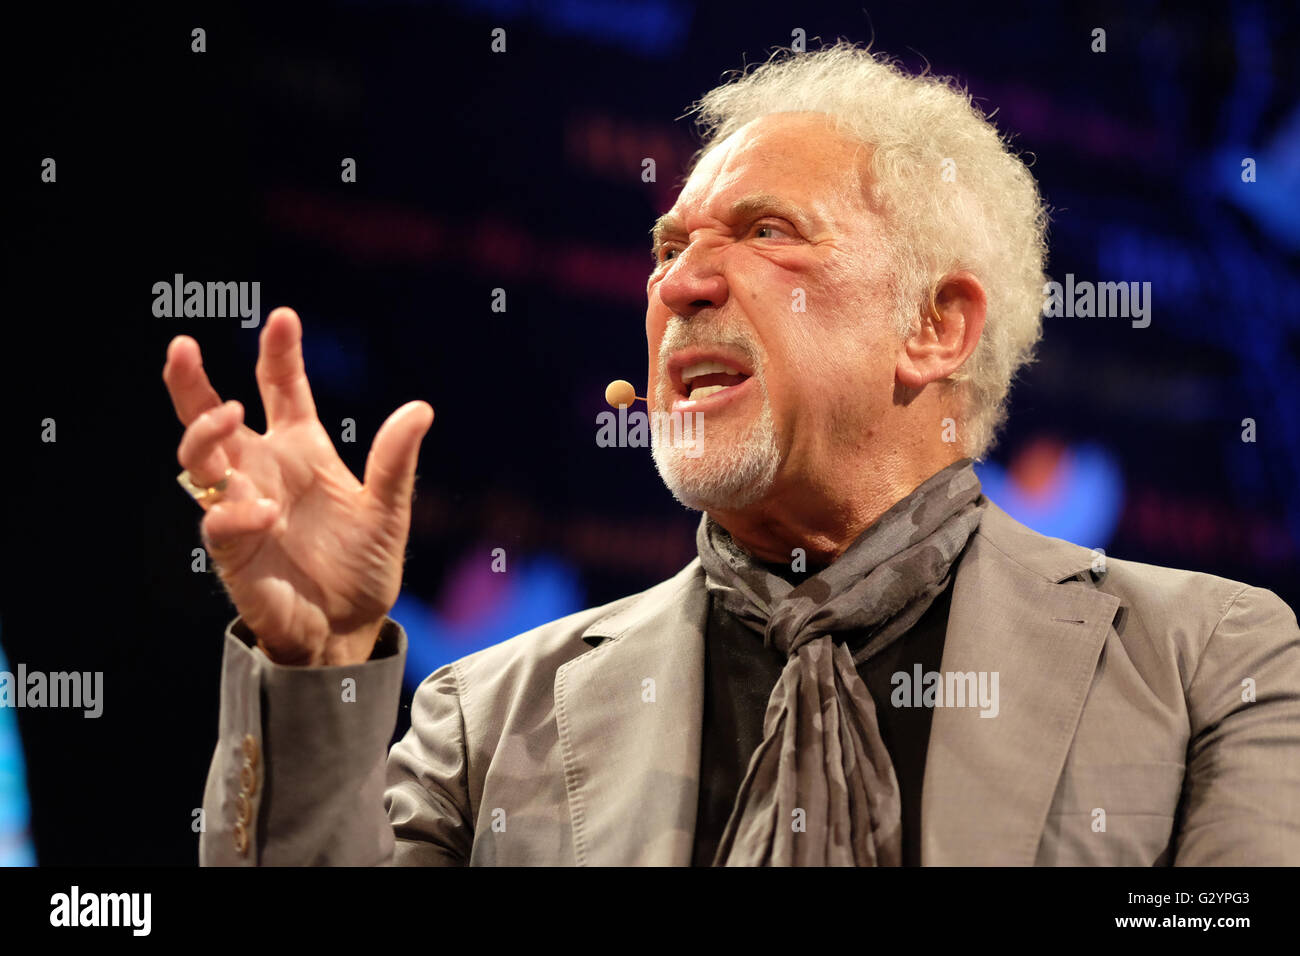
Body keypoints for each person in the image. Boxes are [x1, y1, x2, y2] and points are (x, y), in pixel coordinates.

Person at [165, 42, 1300, 866]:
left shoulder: (1210, 664)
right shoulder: (489, 714)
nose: (677, 284)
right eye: (668, 248)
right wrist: (314, 671)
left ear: (935, 327)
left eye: (765, 232)